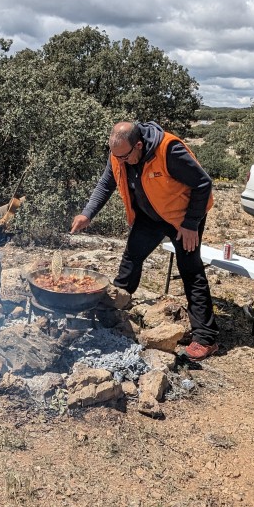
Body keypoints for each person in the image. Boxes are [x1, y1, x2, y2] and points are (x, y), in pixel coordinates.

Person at [71, 121, 218, 360]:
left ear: (139, 145)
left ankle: (205, 338)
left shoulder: (169, 150)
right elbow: (106, 184)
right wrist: (87, 213)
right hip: (150, 216)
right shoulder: (119, 153)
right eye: (116, 156)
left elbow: (203, 183)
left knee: (190, 270)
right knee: (131, 258)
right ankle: (112, 310)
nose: (120, 161)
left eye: (125, 156)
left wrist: (191, 223)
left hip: (182, 218)